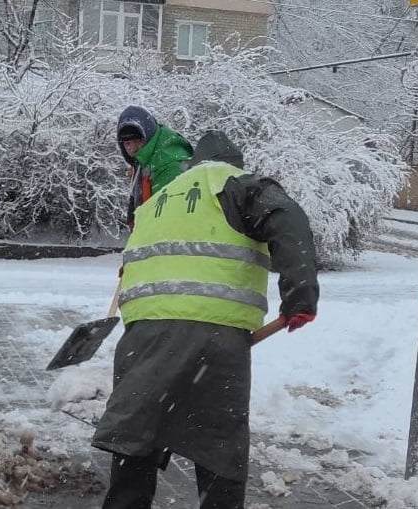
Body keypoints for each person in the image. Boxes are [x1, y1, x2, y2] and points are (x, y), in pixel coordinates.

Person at [92, 130, 320, 509]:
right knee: (218, 444)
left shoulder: (160, 198)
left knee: (137, 437)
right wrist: (300, 295)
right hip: (212, 337)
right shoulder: (237, 185)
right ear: (234, 163)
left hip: (142, 334)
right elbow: (287, 217)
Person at [116, 105, 193, 228]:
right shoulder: (145, 158)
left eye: (137, 141)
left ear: (148, 136)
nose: (132, 149)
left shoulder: (169, 166)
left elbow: (169, 221)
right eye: (127, 143)